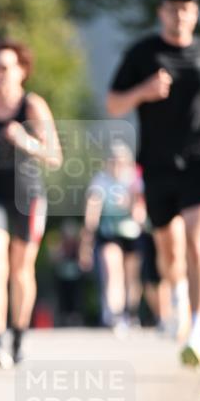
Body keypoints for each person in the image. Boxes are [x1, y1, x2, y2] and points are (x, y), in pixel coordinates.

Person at [107, 0, 200, 366]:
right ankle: (178, 292)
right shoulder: (143, 54)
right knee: (169, 248)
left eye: (186, 6)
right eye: (171, 6)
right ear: (161, 12)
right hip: (157, 163)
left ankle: (198, 329)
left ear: (195, 13)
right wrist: (143, 92)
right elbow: (114, 103)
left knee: (199, 243)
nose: (179, 13)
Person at [0, 39, 62, 367]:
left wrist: (26, 141)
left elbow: (54, 155)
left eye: (4, 67)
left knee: (21, 268)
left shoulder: (32, 105)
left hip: (27, 196)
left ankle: (19, 334)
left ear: (21, 71)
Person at [79, 141, 145, 334]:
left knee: (131, 277)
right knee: (112, 269)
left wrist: (130, 204)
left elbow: (139, 210)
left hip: (131, 233)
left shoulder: (134, 179)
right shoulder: (101, 180)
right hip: (109, 233)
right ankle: (115, 314)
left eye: (121, 161)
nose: (117, 164)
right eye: (113, 161)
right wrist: (87, 240)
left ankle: (131, 313)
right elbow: (92, 211)